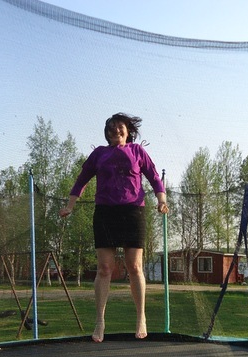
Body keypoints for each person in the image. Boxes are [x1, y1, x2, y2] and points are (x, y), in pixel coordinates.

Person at [59, 113, 169, 343]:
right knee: (104, 268)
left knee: (135, 266)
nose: (116, 131)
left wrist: (161, 200)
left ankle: (141, 317)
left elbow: (153, 176)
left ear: (128, 131)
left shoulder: (137, 151)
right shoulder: (99, 153)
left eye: (120, 127)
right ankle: (100, 321)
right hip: (105, 213)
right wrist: (70, 205)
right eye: (111, 128)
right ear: (107, 133)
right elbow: (82, 179)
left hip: (133, 212)